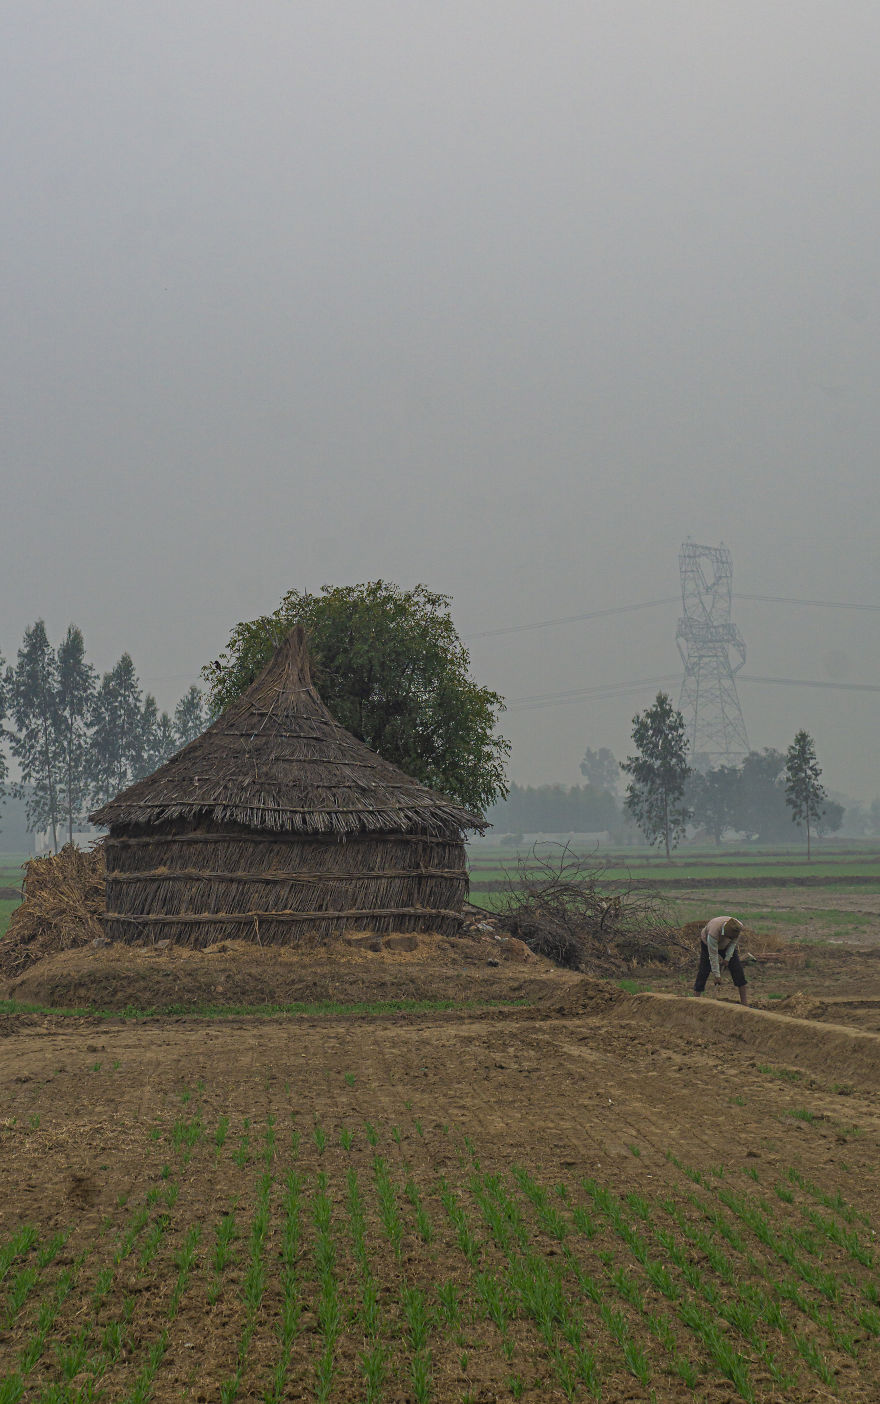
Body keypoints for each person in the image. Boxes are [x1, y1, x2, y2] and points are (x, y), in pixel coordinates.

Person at [692, 915, 749, 1005]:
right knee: (704, 969)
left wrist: (727, 958)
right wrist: (717, 975)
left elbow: (733, 944)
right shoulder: (713, 932)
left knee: (737, 968)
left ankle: (744, 1002)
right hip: (708, 943)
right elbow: (713, 955)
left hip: (726, 945)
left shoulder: (737, 927)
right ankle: (695, 1000)